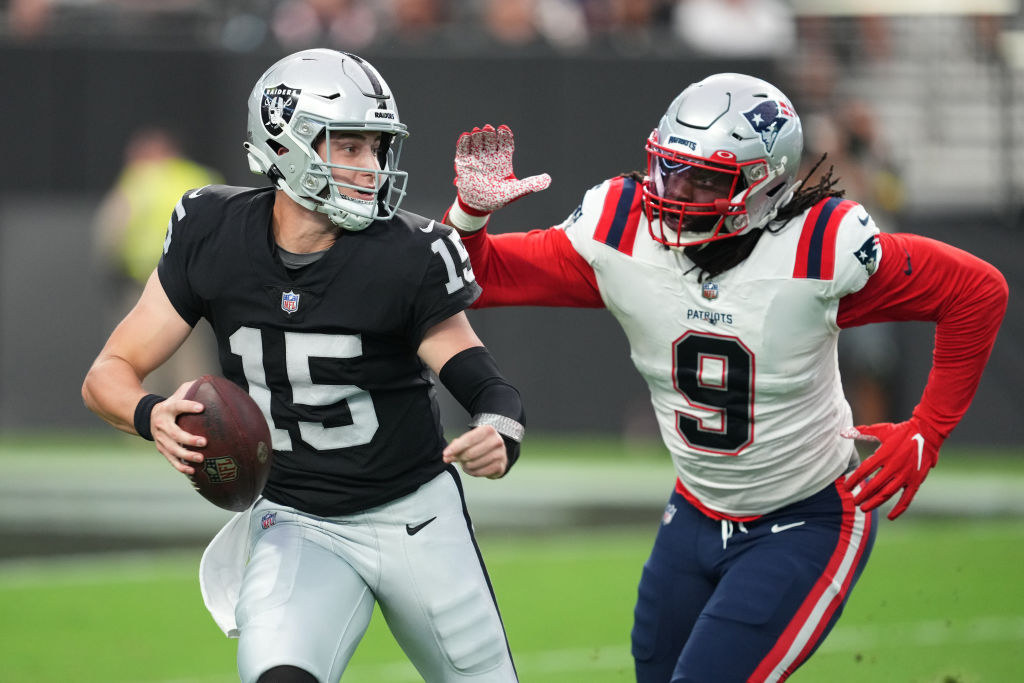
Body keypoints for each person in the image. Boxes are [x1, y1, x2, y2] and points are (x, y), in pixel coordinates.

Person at [441, 73, 1007, 682]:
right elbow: (485, 278)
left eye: (706, 179)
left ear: (767, 184)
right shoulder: (621, 227)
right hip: (695, 507)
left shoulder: (820, 250)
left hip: (808, 515)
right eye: (669, 168)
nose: (675, 193)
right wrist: (470, 215)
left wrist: (930, 427)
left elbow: (975, 290)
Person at [82, 49, 524, 683]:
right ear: (285, 145)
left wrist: (499, 428)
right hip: (297, 520)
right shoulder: (213, 231)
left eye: (377, 147)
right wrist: (151, 414)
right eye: (348, 146)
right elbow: (107, 374)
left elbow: (487, 384)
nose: (370, 167)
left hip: (416, 517)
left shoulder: (407, 253)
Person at [92, 125, 223, 396]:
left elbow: (111, 227)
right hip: (195, 282)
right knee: (191, 358)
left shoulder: (139, 178)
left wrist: (109, 267)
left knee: (136, 357)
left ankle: (139, 420)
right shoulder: (201, 176)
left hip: (147, 282)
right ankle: (201, 419)